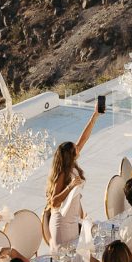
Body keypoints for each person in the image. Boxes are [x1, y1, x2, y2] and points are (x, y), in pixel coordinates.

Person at [45, 104, 99, 252]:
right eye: (75, 148)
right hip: (61, 223)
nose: (78, 148)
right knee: (65, 257)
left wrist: (95, 116)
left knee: (74, 256)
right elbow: (54, 202)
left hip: (73, 221)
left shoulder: (72, 166)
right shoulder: (62, 173)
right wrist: (70, 186)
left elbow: (84, 138)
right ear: (70, 155)